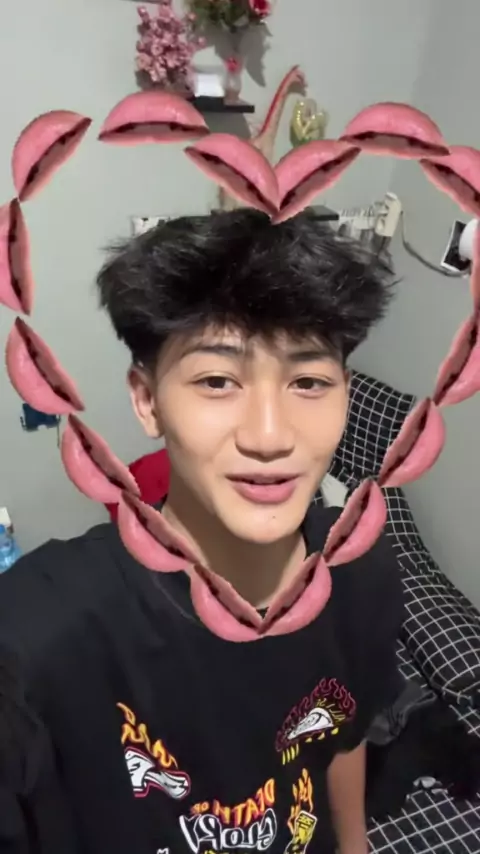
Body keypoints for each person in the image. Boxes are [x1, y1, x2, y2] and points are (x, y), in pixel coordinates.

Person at [0, 208, 403, 854]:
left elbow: (341, 741)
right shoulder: (36, 637)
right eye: (217, 381)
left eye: (308, 382)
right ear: (147, 400)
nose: (269, 436)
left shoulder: (360, 569)